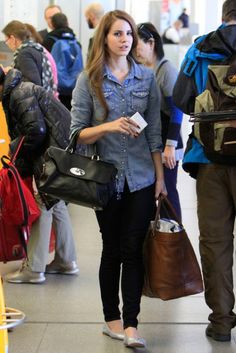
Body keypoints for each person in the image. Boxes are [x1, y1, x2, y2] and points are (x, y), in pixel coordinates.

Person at [70, 9, 166, 348]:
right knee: (112, 249)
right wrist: (109, 125)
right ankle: (111, 318)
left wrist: (160, 178)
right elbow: (76, 134)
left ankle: (131, 325)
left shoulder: (146, 78)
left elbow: (154, 131)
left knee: (133, 250)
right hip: (105, 179)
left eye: (129, 34)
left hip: (140, 178)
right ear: (104, 39)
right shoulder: (89, 80)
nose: (125, 40)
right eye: (117, 34)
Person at [173, 0, 236, 342]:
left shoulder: (201, 48)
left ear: (223, 15)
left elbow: (181, 99)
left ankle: (222, 321)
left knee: (215, 243)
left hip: (210, 160)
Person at [2, 23, 79, 283]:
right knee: (56, 203)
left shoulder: (18, 93)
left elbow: (35, 129)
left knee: (42, 202)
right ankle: (66, 261)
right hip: (60, 143)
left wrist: (15, 151)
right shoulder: (19, 85)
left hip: (51, 148)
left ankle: (34, 269)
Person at [137, 22, 183, 220]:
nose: (134, 52)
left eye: (137, 47)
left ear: (151, 43)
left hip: (168, 142)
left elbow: (177, 109)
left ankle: (174, 239)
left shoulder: (166, 70)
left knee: (167, 193)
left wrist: (170, 146)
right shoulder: (143, 70)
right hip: (152, 141)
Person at [43, 13, 83, 110]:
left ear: (52, 24)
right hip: (74, 87)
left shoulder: (49, 41)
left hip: (57, 89)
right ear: (67, 23)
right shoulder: (76, 41)